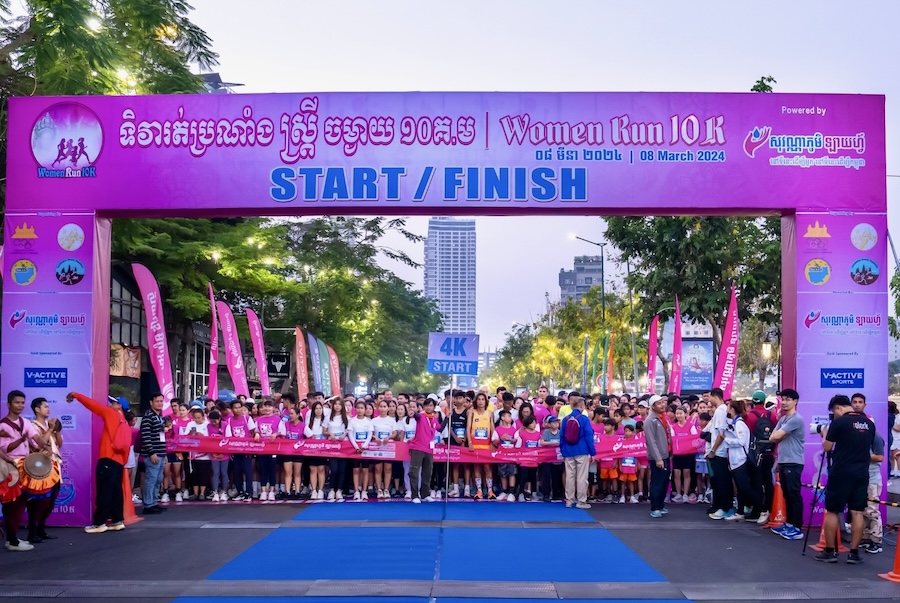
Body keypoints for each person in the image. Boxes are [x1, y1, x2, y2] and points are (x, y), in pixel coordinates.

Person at [815, 395, 875, 564]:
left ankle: (829, 551)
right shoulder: (869, 423)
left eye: (835, 411)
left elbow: (827, 447)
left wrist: (825, 435)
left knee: (833, 510)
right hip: (862, 472)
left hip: (841, 472)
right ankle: (854, 553)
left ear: (838, 408)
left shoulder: (839, 423)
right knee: (857, 512)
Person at [66, 392, 131, 533]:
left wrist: (76, 395)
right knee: (115, 492)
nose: (110, 404)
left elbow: (93, 406)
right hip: (119, 462)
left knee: (104, 491)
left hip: (107, 458)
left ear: (119, 406)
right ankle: (117, 520)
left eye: (113, 402)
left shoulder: (112, 414)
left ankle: (99, 523)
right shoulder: (124, 421)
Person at [0, 390, 44, 551]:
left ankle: (13, 538)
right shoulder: (3, 425)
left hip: (24, 466)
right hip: (11, 467)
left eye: (22, 402)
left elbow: (36, 438)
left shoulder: (25, 422)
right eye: (17, 402)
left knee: (21, 503)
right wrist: (22, 439)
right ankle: (11, 540)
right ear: (9, 404)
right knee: (12, 504)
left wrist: (44, 445)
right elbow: (6, 448)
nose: (20, 405)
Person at [766, 388, 805, 540]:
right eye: (783, 399)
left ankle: (797, 527)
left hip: (793, 462)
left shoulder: (796, 419)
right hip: (784, 461)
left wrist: (779, 434)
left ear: (795, 401)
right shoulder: (783, 419)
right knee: (788, 495)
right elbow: (772, 437)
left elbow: (776, 436)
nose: (784, 402)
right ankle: (789, 524)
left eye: (788, 399)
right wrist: (778, 435)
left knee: (794, 494)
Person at [850, 393, 884, 555]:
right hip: (858, 477)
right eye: (854, 402)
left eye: (860, 402)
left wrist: (861, 455)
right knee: (860, 509)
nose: (857, 405)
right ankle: (864, 538)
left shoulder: (876, 436)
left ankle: (876, 540)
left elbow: (880, 457)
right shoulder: (852, 434)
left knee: (872, 510)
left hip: (872, 478)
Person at [28, 397, 62, 542]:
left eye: (49, 406)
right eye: (45, 406)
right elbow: (38, 444)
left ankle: (41, 529)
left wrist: (57, 430)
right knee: (37, 502)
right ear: (37, 409)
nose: (48, 409)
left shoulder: (50, 425)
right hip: (40, 468)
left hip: (54, 467)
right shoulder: (32, 425)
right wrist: (50, 429)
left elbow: (59, 444)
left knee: (50, 501)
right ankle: (32, 532)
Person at [722, 399, 761, 521]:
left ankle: (762, 508)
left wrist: (725, 440)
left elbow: (741, 441)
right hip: (735, 460)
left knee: (745, 488)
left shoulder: (740, 424)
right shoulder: (735, 423)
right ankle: (740, 512)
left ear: (732, 409)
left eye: (728, 407)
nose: (727, 409)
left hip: (740, 460)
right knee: (740, 488)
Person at [559, 395, 595, 509]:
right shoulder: (584, 419)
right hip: (582, 450)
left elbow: (562, 436)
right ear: (581, 405)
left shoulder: (566, 419)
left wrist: (563, 451)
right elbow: (589, 436)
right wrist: (592, 452)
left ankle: (569, 500)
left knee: (570, 476)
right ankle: (581, 501)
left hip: (568, 450)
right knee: (581, 477)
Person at [746, 390, 776, 525]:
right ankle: (770, 508)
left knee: (756, 482)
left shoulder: (749, 416)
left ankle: (757, 510)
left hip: (755, 453)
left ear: (753, 402)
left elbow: (748, 435)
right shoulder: (772, 415)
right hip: (770, 452)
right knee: (768, 481)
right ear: (764, 401)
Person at [139, 392, 168, 515]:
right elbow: (145, 436)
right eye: (157, 401)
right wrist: (151, 452)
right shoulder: (148, 417)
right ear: (151, 402)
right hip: (153, 454)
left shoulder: (160, 417)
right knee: (151, 479)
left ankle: (154, 502)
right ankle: (148, 504)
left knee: (158, 479)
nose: (160, 403)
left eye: (161, 401)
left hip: (161, 453)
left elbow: (161, 437)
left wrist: (164, 453)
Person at [644, 394, 671, 518]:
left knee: (664, 481)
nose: (662, 405)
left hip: (665, 454)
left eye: (662, 402)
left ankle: (660, 505)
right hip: (658, 456)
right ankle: (655, 507)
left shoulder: (662, 418)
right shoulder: (650, 420)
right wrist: (658, 458)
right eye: (659, 403)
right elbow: (651, 441)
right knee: (657, 482)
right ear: (653, 406)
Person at [408, 396, 437, 503]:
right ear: (424, 406)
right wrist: (412, 413)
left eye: (431, 405)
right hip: (418, 447)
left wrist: (448, 417)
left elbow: (440, 428)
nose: (429, 407)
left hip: (429, 449)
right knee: (414, 471)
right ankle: (414, 495)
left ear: (434, 407)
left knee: (427, 472)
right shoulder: (420, 416)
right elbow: (415, 415)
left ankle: (425, 494)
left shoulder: (434, 418)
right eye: (427, 405)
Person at [467, 392, 494, 499]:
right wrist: (469, 443)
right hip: (475, 444)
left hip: (486, 445)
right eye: (479, 399)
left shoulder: (490, 413)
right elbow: (468, 429)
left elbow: (493, 430)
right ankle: (479, 491)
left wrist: (493, 442)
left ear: (486, 401)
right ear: (476, 401)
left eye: (483, 399)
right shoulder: (471, 412)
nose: (481, 401)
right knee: (476, 467)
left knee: (487, 468)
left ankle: (490, 490)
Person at [492, 409, 519, 501]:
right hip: (501, 455)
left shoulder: (514, 429)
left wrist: (510, 440)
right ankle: (504, 491)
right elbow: (494, 441)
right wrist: (501, 438)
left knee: (512, 473)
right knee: (502, 473)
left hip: (511, 455)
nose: (510, 418)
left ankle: (511, 492)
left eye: (510, 416)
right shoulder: (497, 429)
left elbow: (516, 440)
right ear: (502, 418)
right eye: (508, 416)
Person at [539, 415, 564, 501]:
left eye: (557, 422)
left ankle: (556, 494)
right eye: (553, 422)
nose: (556, 424)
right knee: (546, 476)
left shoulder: (560, 432)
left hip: (557, 458)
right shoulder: (546, 432)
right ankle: (546, 494)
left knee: (556, 476)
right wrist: (552, 443)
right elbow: (542, 442)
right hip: (547, 458)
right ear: (549, 424)